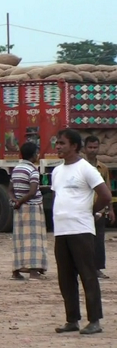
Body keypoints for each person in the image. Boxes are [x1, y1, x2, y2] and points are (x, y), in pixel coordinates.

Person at [52, 128, 113, 335]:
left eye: (62, 143)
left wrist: (90, 211)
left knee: (88, 275)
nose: (58, 147)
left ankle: (94, 320)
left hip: (81, 230)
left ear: (74, 146)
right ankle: (72, 320)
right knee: (66, 278)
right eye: (57, 143)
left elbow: (105, 195)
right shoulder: (57, 171)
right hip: (61, 231)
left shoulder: (86, 169)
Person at [8, 141, 48, 281]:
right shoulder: (33, 171)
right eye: (36, 153)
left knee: (19, 240)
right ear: (33, 155)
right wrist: (21, 201)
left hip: (19, 209)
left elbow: (10, 190)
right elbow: (32, 192)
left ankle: (16, 271)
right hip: (32, 208)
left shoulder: (16, 169)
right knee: (34, 240)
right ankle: (33, 272)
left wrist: (16, 201)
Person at [84, 135, 115, 279]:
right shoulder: (80, 167)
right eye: (90, 147)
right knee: (84, 240)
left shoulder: (102, 168)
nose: (92, 150)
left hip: (99, 209)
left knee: (99, 240)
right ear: (84, 149)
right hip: (83, 209)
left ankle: (97, 268)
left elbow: (107, 190)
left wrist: (111, 210)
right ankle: (84, 269)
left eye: (95, 147)